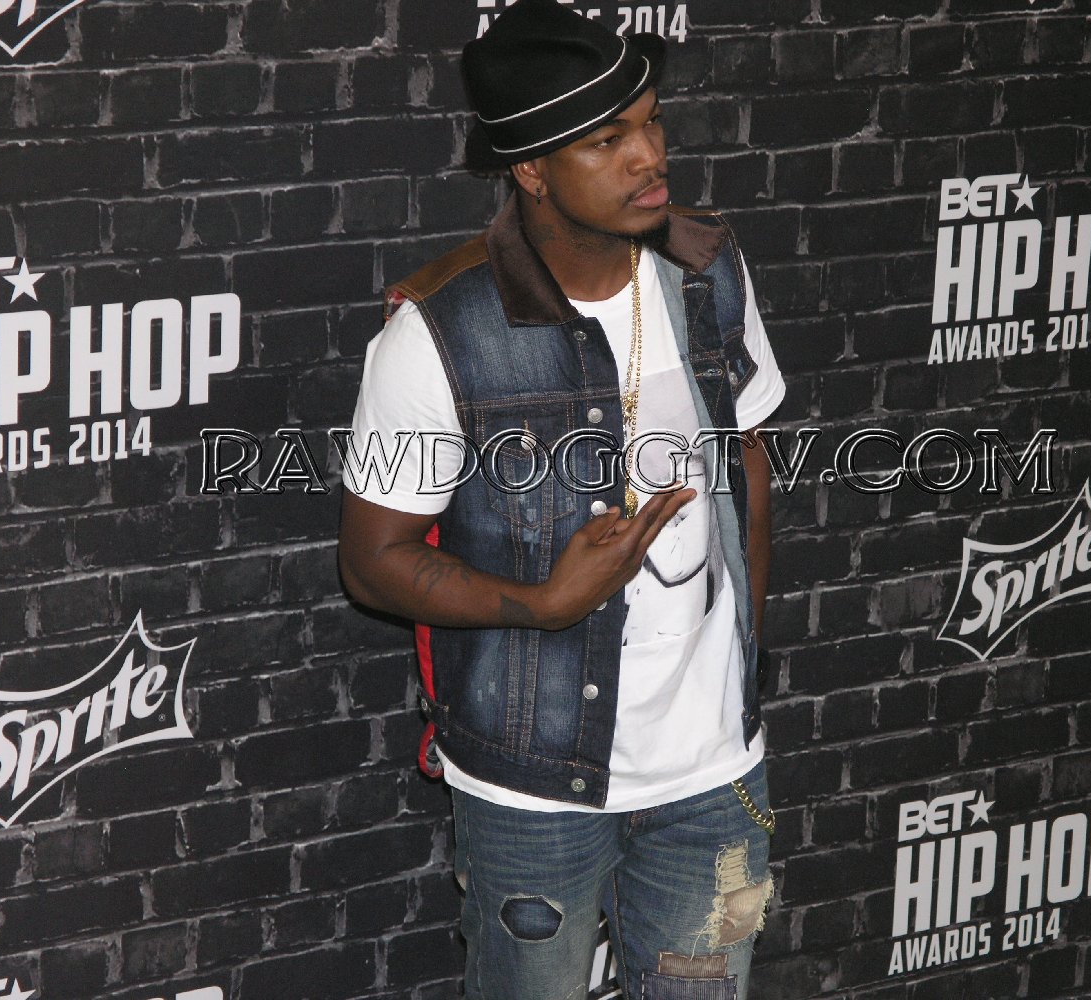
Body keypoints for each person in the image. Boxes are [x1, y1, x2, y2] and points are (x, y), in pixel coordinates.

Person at [337, 1, 786, 996]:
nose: (649, 157)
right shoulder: (441, 333)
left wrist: (743, 659)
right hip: (533, 793)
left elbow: (746, 461)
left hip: (717, 776)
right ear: (533, 170)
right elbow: (371, 562)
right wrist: (543, 603)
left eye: (652, 124)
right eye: (607, 140)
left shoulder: (708, 271)